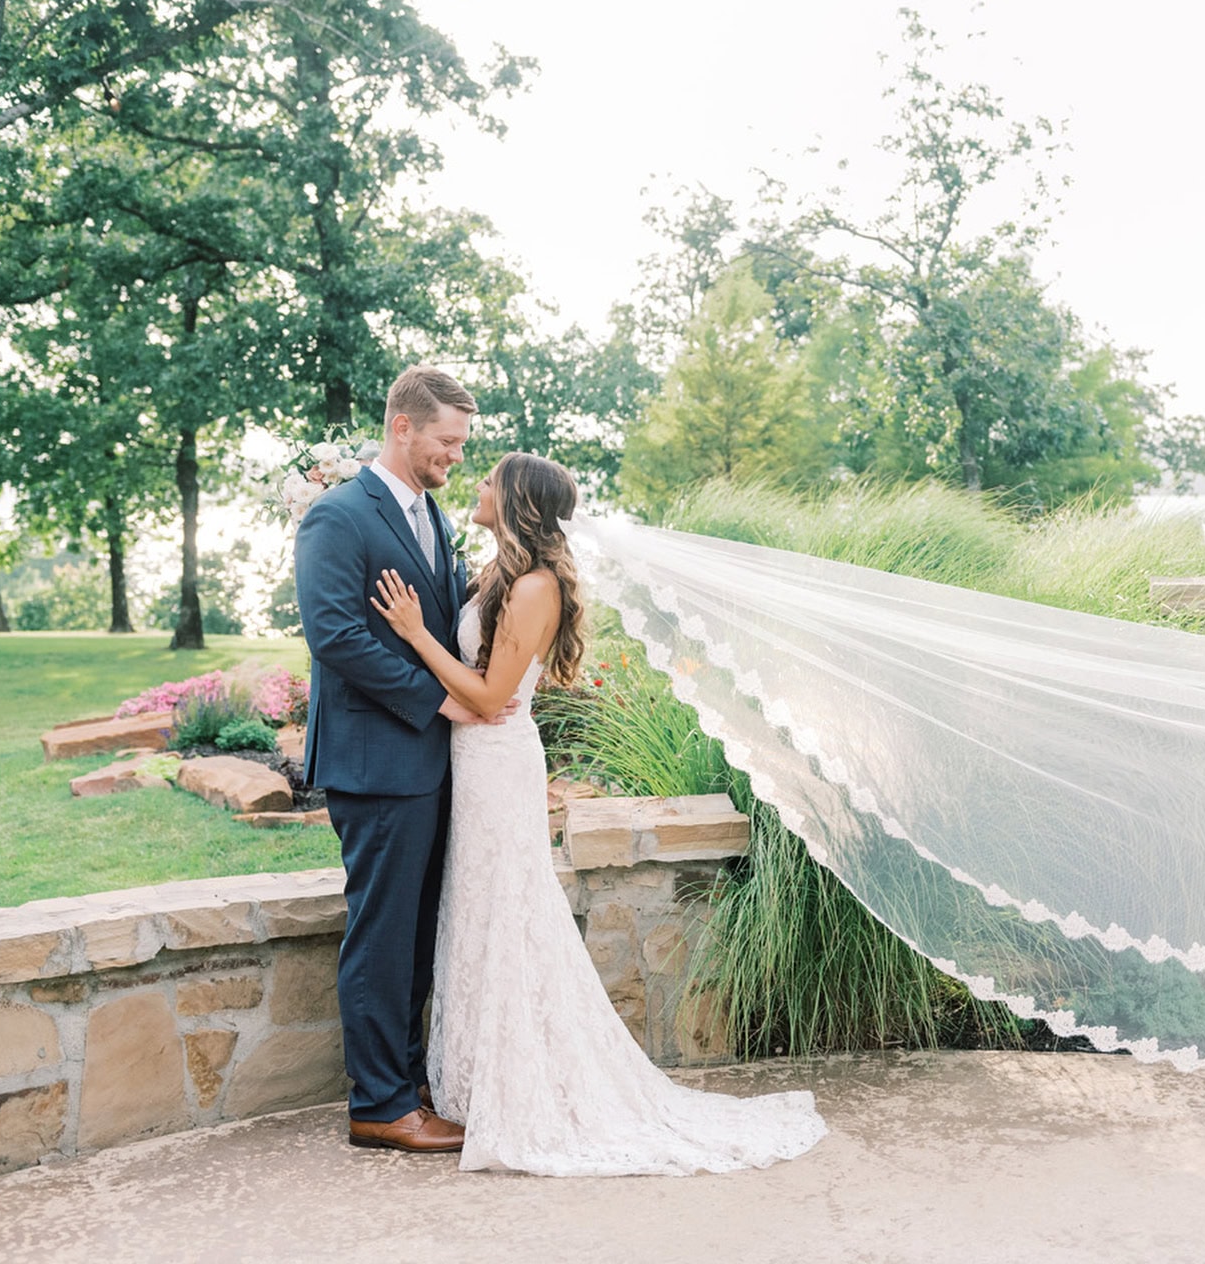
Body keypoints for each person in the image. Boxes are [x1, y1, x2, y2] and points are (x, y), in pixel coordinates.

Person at [369, 450, 828, 1175]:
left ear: (517, 500)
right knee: (479, 910)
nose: (478, 486)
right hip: (471, 766)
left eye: (490, 480)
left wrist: (414, 633)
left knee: (509, 910)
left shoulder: (536, 588)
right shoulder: (497, 576)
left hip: (497, 766)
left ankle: (530, 1086)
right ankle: (473, 1078)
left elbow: (490, 700)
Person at [294, 365, 508, 1154]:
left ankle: (408, 1083)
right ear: (403, 428)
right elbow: (336, 636)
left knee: (418, 931)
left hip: (432, 762)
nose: (455, 455)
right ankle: (379, 1104)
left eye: (461, 443)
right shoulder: (338, 517)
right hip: (376, 759)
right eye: (447, 441)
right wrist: (439, 700)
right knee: (383, 933)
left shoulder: (432, 515)